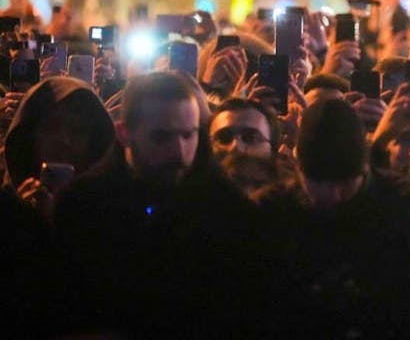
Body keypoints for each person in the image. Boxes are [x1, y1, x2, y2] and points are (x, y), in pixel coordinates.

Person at [53, 72, 280, 337]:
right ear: (124, 134)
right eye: (162, 137)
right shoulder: (83, 205)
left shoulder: (227, 209)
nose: (179, 152)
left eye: (188, 135)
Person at [292, 97, 410, 337]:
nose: (334, 195)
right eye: (319, 183)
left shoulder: (408, 204)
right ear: (298, 168)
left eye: (344, 183)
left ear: (365, 169)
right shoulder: (276, 210)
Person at [2, 77, 116, 217]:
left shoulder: (112, 211)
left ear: (95, 141)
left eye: (77, 131)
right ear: (29, 135)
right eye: (51, 127)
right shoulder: (6, 203)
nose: (64, 140)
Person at [209, 97, 303, 203]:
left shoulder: (294, 204)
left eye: (250, 137)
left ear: (272, 149)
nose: (235, 145)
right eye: (224, 138)